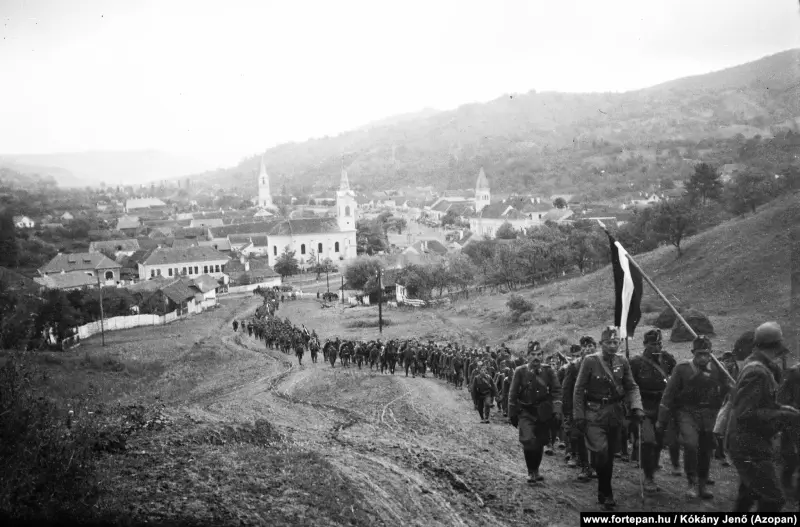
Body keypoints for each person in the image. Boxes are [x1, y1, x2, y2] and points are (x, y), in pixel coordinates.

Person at [727, 322, 799, 512]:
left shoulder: (754, 364)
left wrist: (783, 408)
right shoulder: (758, 372)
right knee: (773, 499)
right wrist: (782, 414)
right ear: (776, 346)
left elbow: (760, 403)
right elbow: (746, 413)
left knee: (749, 493)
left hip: (749, 441)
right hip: (749, 444)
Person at [573, 326, 644, 510]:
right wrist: (579, 415)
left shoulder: (623, 361)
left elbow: (632, 386)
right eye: (608, 342)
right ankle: (607, 491)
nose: (612, 346)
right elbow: (579, 390)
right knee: (601, 452)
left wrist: (637, 406)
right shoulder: (590, 361)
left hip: (615, 414)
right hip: (594, 414)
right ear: (601, 344)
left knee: (609, 455)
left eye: (615, 342)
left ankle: (603, 489)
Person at [657, 335, 729, 500]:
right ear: (693, 353)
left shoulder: (719, 368)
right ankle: (692, 483)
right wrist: (662, 419)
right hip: (686, 412)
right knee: (690, 444)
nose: (703, 357)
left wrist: (722, 397)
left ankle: (702, 486)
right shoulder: (682, 368)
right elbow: (669, 394)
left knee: (705, 449)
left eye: (706, 353)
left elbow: (726, 387)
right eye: (699, 354)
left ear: (711, 353)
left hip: (709, 414)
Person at [508, 344, 563, 484]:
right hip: (526, 412)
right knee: (528, 442)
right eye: (533, 354)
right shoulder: (520, 371)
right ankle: (530, 471)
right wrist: (512, 413)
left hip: (543, 413)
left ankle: (536, 470)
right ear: (527, 356)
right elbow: (513, 393)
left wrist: (556, 411)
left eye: (539, 354)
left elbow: (556, 391)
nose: (536, 357)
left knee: (539, 443)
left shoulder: (548, 371)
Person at [630, 329, 673, 493]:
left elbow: (675, 377)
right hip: (643, 407)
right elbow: (630, 386)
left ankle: (651, 467)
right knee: (648, 441)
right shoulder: (636, 363)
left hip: (661, 407)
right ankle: (649, 477)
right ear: (645, 344)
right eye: (653, 343)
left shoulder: (667, 359)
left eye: (659, 343)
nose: (657, 346)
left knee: (659, 443)